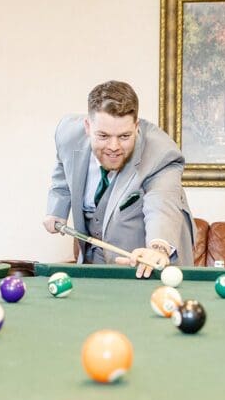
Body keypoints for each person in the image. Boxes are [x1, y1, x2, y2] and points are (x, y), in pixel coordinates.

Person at [44, 80, 194, 278]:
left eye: (124, 136)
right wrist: (57, 208)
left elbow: (162, 202)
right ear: (88, 127)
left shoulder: (161, 153)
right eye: (104, 136)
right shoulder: (68, 133)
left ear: (136, 126)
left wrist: (159, 248)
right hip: (94, 259)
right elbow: (63, 167)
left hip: (147, 261)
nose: (114, 147)